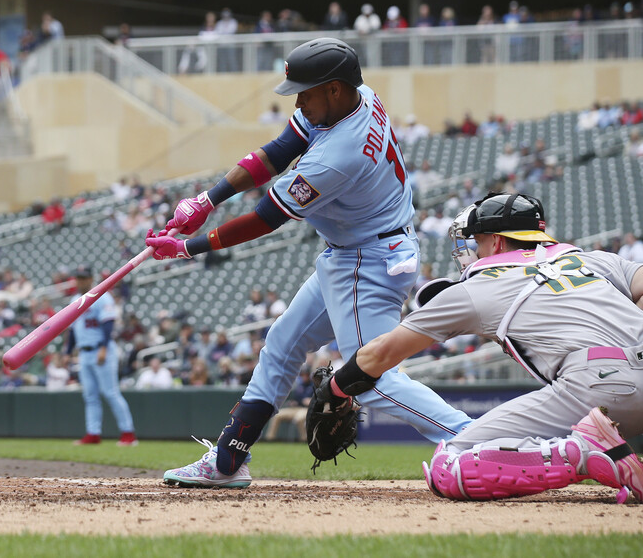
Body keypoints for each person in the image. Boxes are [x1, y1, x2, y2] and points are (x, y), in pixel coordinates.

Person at [146, 38, 471, 488]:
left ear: (334, 88)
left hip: (368, 261)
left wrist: (189, 248)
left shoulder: (339, 155)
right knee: (282, 342)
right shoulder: (358, 97)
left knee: (369, 377)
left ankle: (473, 439)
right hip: (355, 252)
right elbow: (277, 151)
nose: (297, 101)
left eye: (305, 92)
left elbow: (266, 219)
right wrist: (208, 198)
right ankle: (227, 461)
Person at [317, 193, 643, 503]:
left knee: (450, 465)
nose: (472, 249)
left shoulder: (481, 284)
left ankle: (585, 452)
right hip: (621, 373)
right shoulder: (591, 260)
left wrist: (335, 389)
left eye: (477, 240)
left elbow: (382, 354)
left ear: (497, 241)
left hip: (603, 387)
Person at [67, 265, 138, 446]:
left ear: (91, 279)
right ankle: (93, 433)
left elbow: (108, 324)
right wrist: (68, 352)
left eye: (84, 277)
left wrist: (104, 348)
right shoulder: (75, 299)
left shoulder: (102, 296)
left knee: (111, 392)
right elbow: (73, 330)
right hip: (84, 353)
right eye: (78, 277)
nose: (80, 281)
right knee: (90, 395)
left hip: (101, 349)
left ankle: (128, 433)